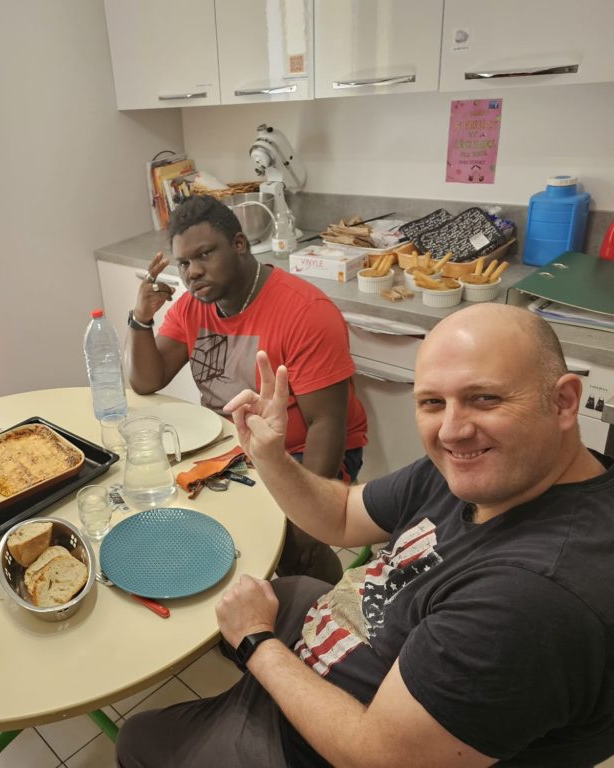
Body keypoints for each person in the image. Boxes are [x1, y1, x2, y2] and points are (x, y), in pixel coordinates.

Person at [117, 303, 614, 767]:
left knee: (137, 739)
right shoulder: (483, 472)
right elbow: (343, 514)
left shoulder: (532, 600)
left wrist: (256, 644)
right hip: (369, 642)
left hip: (329, 746)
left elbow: (376, 755)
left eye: (485, 398)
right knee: (276, 593)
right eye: (433, 402)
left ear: (564, 402)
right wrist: (270, 455)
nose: (452, 430)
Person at [127, 194, 368, 582]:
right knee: (196, 522)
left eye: (205, 255)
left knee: (291, 545)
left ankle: (322, 607)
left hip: (304, 449)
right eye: (184, 263)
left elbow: (327, 424)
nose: (193, 273)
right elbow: (146, 380)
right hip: (237, 444)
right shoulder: (193, 306)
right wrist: (140, 318)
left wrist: (308, 521)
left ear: (239, 245)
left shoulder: (306, 312)